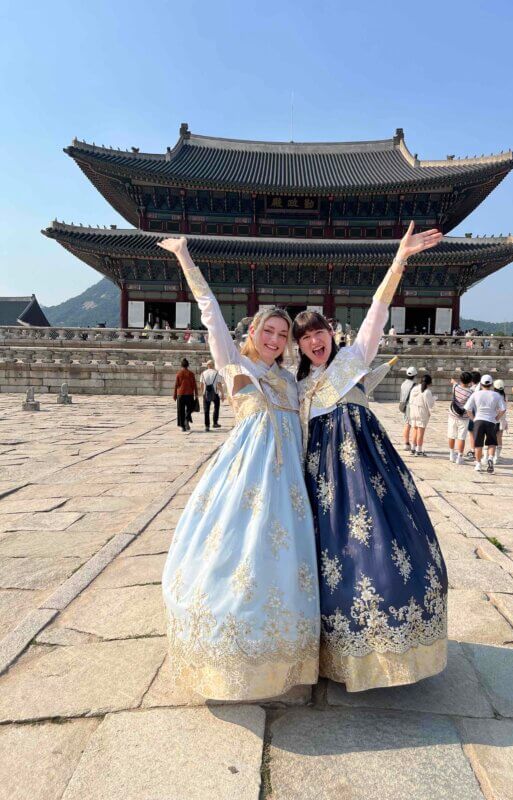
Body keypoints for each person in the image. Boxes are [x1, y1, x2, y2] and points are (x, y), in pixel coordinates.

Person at [158, 237, 319, 702]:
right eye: (268, 330)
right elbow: (208, 308)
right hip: (245, 475)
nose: (274, 339)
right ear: (254, 332)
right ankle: (226, 648)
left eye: (282, 335)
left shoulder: (290, 379)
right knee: (235, 554)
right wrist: (184, 257)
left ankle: (281, 652)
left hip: (288, 481)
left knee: (284, 560)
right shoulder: (236, 363)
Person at [293, 220, 448, 692]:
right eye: (304, 338)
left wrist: (399, 259)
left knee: (384, 547)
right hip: (322, 484)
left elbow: (379, 308)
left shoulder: (354, 359)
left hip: (369, 473)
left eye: (318, 331)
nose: (314, 341)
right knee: (332, 556)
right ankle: (336, 651)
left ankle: (390, 644)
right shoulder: (299, 389)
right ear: (298, 347)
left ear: (330, 333)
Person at [464, 374, 506, 473]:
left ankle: (478, 464)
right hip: (491, 421)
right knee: (491, 442)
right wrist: (497, 418)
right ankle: (490, 458)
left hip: (478, 420)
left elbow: (467, 409)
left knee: (478, 444)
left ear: (481, 384)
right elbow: (503, 409)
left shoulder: (476, 394)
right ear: (491, 384)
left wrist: (473, 419)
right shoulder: (496, 395)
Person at [448, 371, 473, 464]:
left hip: (453, 414)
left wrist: (453, 381)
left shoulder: (455, 388)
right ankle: (459, 457)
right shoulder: (470, 392)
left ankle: (451, 455)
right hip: (464, 417)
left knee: (451, 435)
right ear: (470, 381)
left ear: (461, 379)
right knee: (461, 437)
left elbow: (454, 383)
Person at [408, 373, 435, 456]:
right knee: (420, 432)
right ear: (429, 382)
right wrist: (434, 399)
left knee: (414, 429)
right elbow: (430, 405)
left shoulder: (414, 388)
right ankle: (418, 450)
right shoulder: (427, 392)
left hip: (413, 411)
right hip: (421, 412)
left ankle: (413, 448)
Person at [199, 359, 224, 432]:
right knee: (216, 408)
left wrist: (202, 393)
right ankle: (215, 423)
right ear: (213, 365)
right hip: (215, 393)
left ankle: (207, 426)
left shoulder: (203, 373)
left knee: (206, 410)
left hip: (206, 393)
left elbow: (201, 385)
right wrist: (222, 393)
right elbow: (219, 385)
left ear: (207, 365)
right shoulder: (216, 373)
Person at [173, 358, 198, 432]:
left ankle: (183, 427)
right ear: (188, 365)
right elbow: (194, 385)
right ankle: (187, 419)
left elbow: (176, 385)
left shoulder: (179, 373)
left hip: (180, 394)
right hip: (189, 394)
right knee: (190, 408)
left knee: (180, 410)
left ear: (181, 365)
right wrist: (196, 393)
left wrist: (174, 395)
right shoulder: (191, 374)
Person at [398, 366, 418, 451]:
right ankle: (414, 445)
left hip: (404, 405)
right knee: (414, 425)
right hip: (412, 406)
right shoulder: (415, 385)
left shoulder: (403, 384)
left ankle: (406, 443)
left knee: (407, 424)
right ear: (415, 375)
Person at [465, 370, 482, 460]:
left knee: (472, 433)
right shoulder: (482, 388)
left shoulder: (471, 390)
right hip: (482, 414)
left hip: (474, 413)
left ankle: (473, 451)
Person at [493, 379, 508, 463]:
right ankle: (497, 457)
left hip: (494, 419)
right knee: (499, 438)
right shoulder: (505, 396)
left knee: (490, 438)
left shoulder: (493, 396)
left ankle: (489, 455)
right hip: (502, 419)